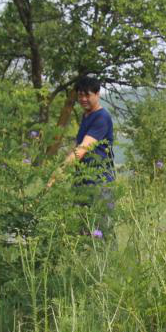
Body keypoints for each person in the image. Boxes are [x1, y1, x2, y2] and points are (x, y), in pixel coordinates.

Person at [47, 76, 115, 229]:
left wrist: (59, 171)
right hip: (83, 181)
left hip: (100, 183)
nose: (83, 99)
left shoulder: (102, 118)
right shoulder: (86, 116)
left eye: (87, 95)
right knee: (81, 230)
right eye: (80, 95)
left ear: (97, 94)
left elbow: (82, 149)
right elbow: (77, 145)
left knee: (101, 231)